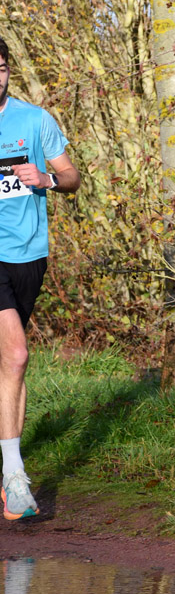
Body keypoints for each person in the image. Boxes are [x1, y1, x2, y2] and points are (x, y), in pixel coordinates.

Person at [0, 37, 81, 520]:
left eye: (1, 68)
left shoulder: (35, 120)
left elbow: (71, 176)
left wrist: (47, 180)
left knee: (10, 365)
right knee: (17, 353)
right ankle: (15, 477)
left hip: (29, 255)